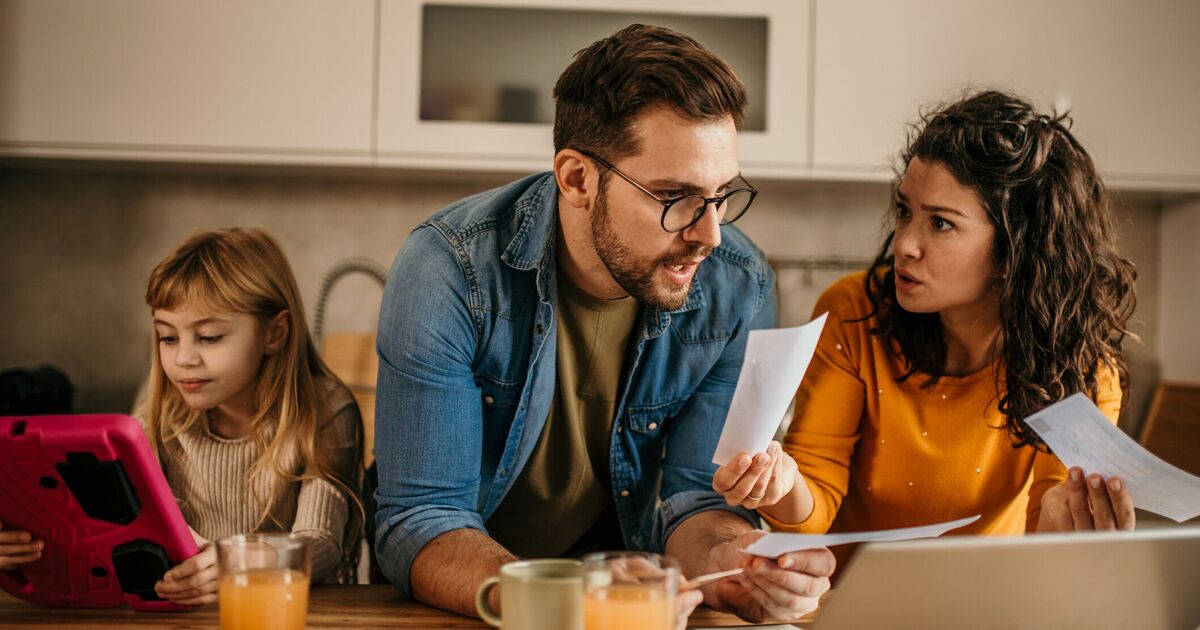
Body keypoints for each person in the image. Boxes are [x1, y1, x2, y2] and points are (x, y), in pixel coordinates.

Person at [373, 24, 833, 625]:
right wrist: (563, 595)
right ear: (577, 179)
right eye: (675, 196)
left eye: (722, 194)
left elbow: (694, 498)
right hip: (475, 608)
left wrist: (732, 565)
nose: (710, 234)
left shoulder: (737, 286)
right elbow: (422, 518)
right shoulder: (450, 270)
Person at [713, 90, 1139, 567]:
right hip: (847, 603)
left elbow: (1048, 525)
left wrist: (1066, 524)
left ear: (1016, 251)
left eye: (940, 223)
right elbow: (816, 503)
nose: (904, 244)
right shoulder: (854, 313)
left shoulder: (1078, 367)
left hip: (984, 603)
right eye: (904, 212)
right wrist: (780, 482)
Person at [136, 227, 364, 605]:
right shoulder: (156, 417)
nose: (184, 359)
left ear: (275, 333)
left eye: (209, 337)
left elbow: (321, 543)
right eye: (168, 337)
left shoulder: (325, 411)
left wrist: (239, 562)